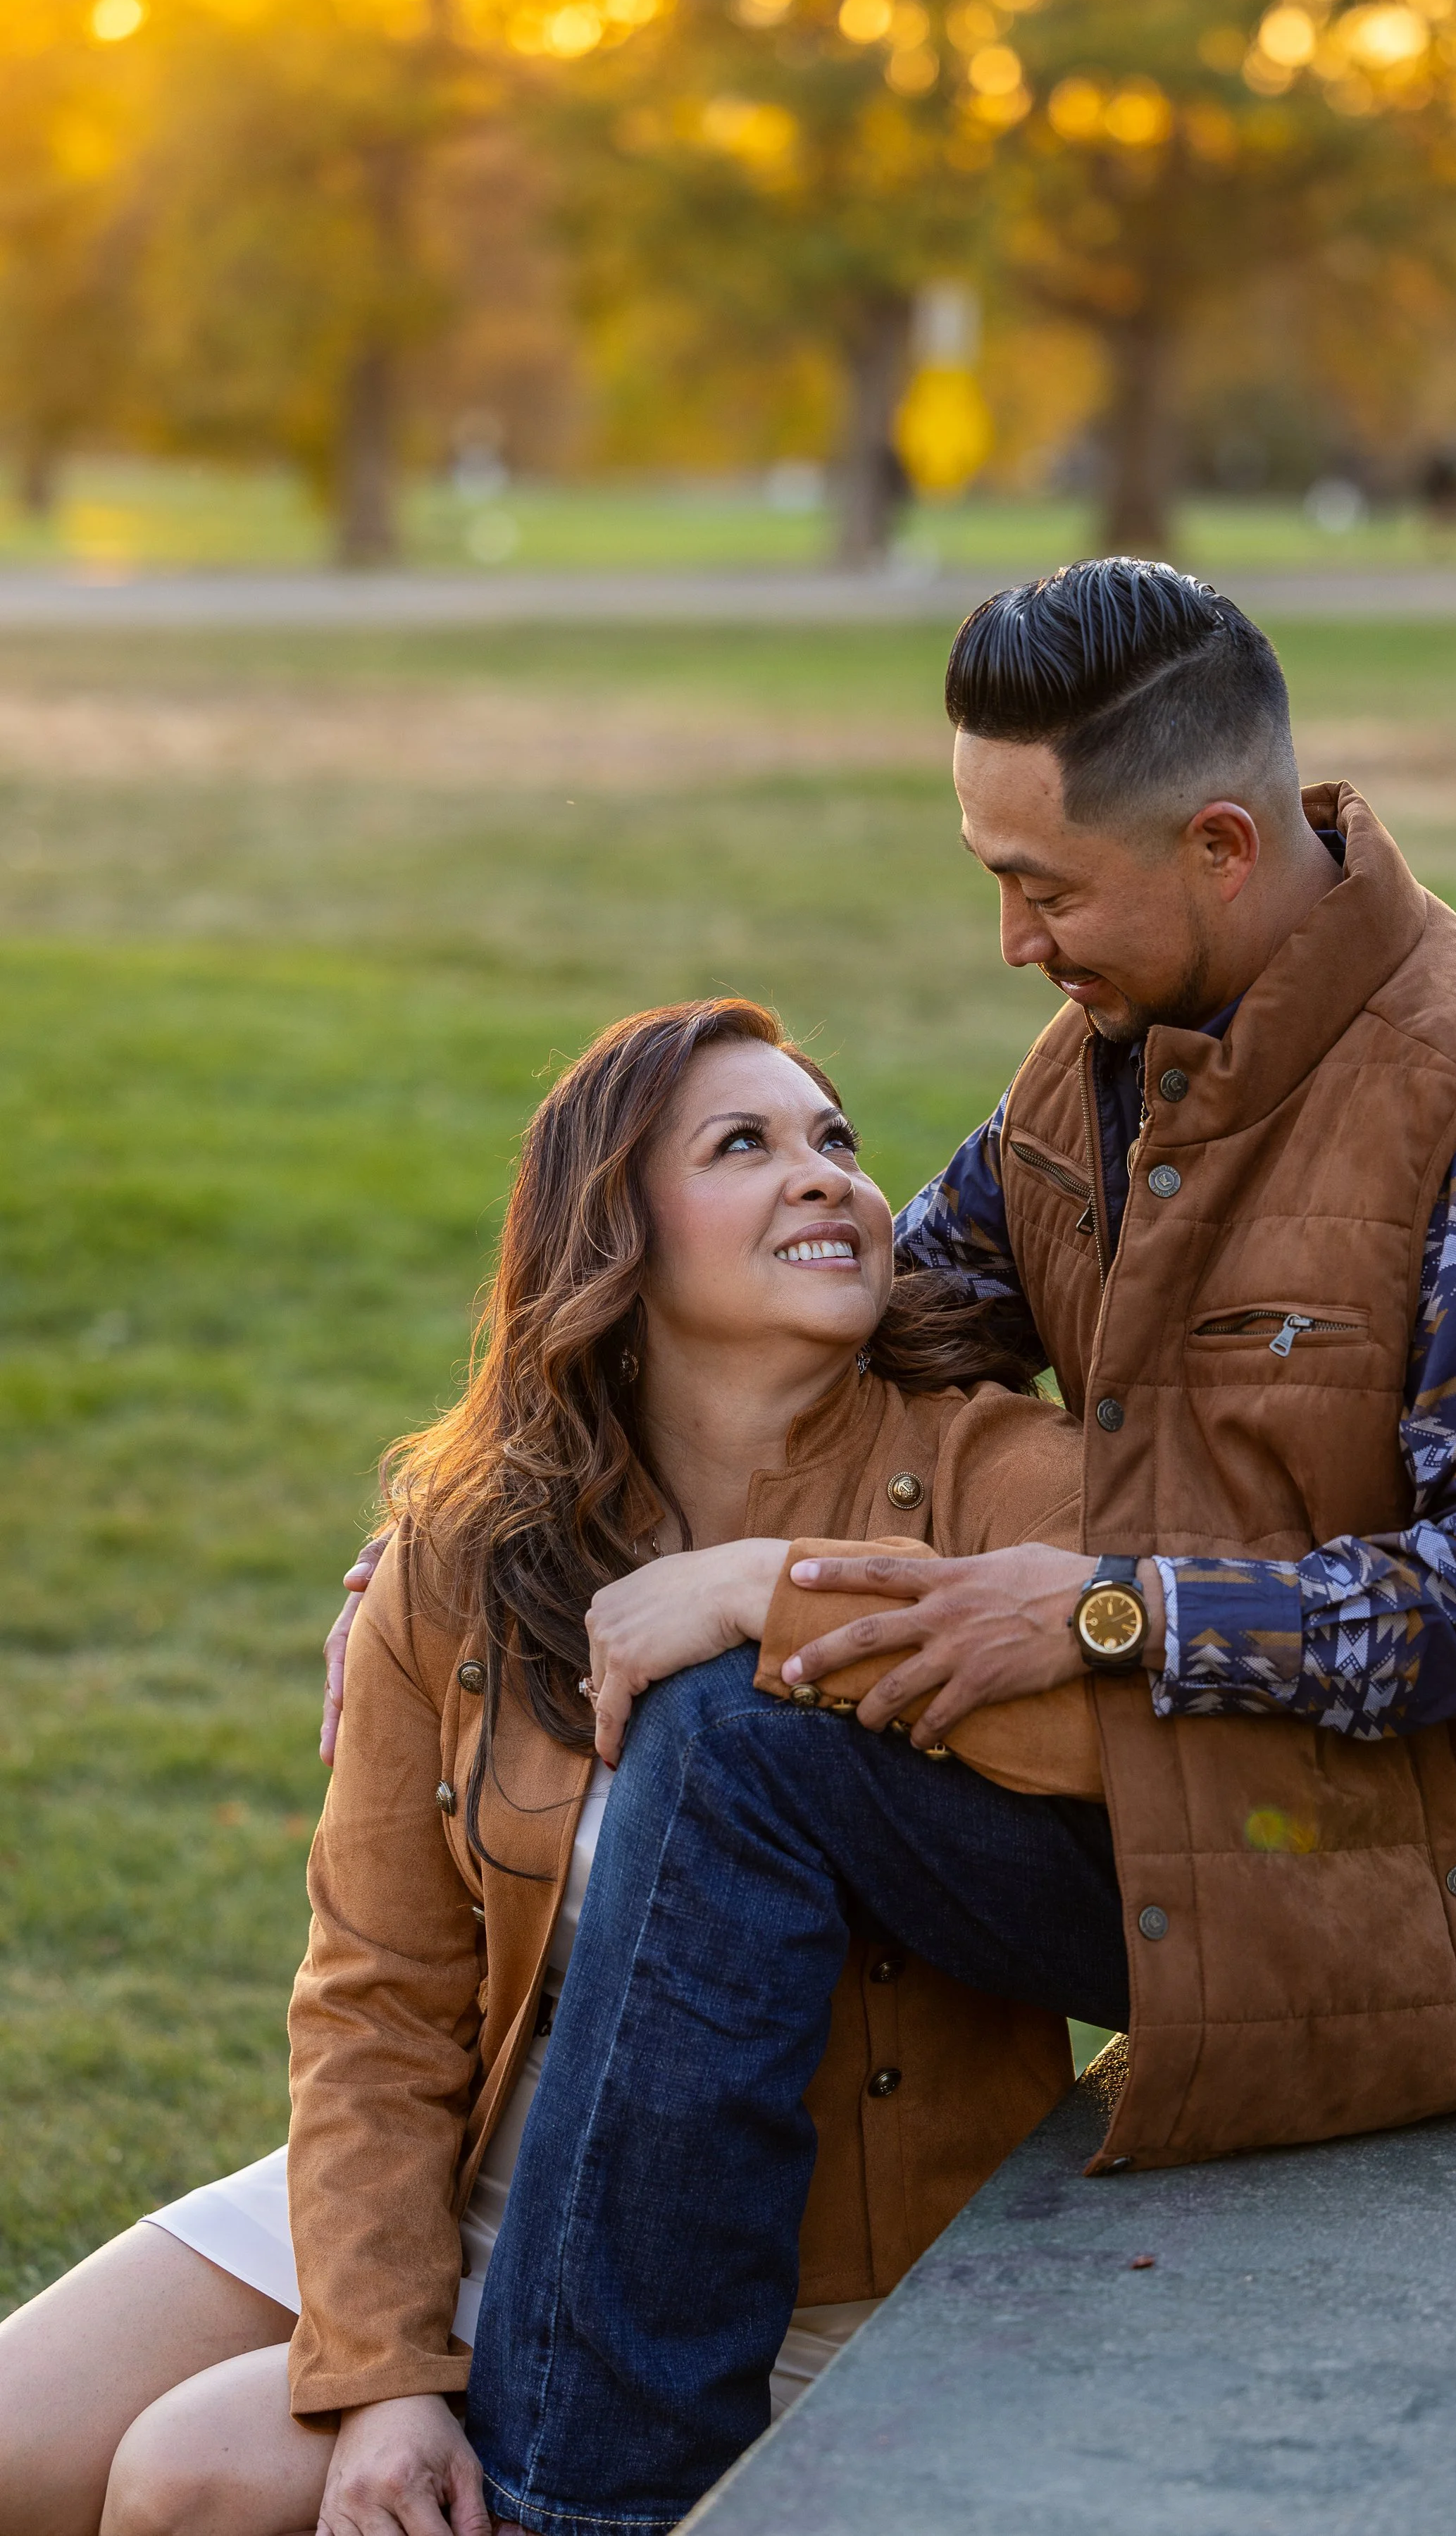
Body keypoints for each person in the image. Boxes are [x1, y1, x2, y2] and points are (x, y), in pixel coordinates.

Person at [435, 560, 1456, 2532]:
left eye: (1044, 885)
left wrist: (1106, 1608)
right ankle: (620, 2455)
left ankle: (582, 2498)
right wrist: (485, 1521)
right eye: (990, 876)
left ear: (1215, 843)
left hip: (1446, 1898)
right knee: (737, 1721)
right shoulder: (1100, 1066)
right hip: (1209, 1821)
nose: (1011, 938)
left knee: (736, 1755)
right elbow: (873, 1304)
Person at [0, 998, 1098, 2536]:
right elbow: (376, 1990)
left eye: (835, 1140)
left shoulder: (1001, 1478)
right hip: (478, 2150)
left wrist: (787, 1590)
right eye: (746, 1143)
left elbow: (1145, 1762)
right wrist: (385, 2372)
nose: (827, 1176)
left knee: (196, 2476)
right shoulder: (470, 1543)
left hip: (793, 2239)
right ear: (614, 1239)